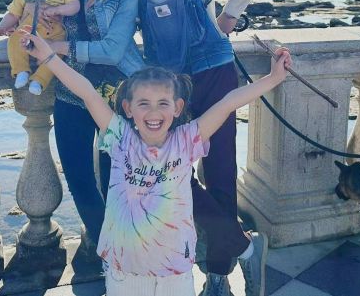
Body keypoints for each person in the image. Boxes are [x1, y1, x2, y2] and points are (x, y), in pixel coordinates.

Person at [20, 27, 291, 296]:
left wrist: (273, 78)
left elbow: (228, 103)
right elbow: (88, 92)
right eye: (144, 103)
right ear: (128, 108)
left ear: (178, 108)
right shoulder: (120, 138)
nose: (153, 112)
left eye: (163, 103)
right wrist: (48, 57)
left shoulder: (186, 141)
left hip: (175, 272)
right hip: (124, 271)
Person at [97, 0, 267, 296]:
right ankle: (241, 244)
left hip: (214, 69)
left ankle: (218, 275)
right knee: (166, 170)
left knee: (221, 169)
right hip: (168, 86)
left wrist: (230, 16)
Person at [45, 0, 145, 246]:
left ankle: (125, 252)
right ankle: (107, 250)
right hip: (70, 94)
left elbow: (113, 51)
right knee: (78, 179)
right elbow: (35, 16)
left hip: (113, 98)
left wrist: (60, 49)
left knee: (115, 182)